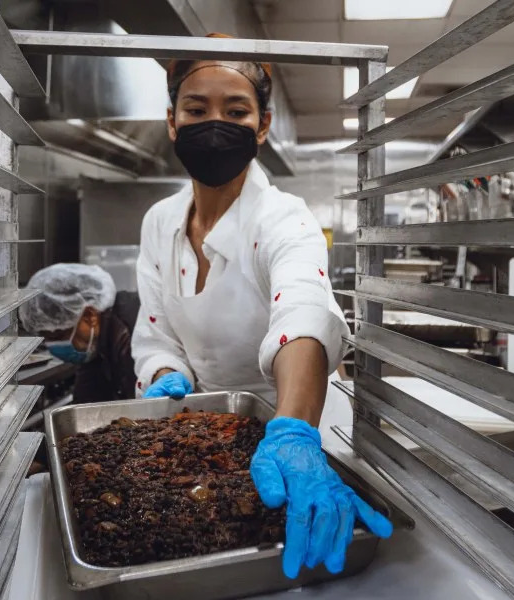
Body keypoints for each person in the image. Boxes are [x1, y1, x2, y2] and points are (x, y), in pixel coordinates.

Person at [130, 34, 392, 580]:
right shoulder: (159, 221)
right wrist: (164, 374)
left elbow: (303, 312)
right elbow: (156, 336)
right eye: (196, 110)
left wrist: (293, 431)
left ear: (262, 125)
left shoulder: (283, 218)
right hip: (211, 434)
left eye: (236, 111)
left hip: (299, 433)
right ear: (172, 121)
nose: (215, 125)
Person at [20, 263, 138, 402]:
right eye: (46, 338)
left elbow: (144, 406)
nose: (53, 346)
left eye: (59, 335)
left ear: (89, 316)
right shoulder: (96, 343)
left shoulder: (129, 335)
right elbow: (88, 398)